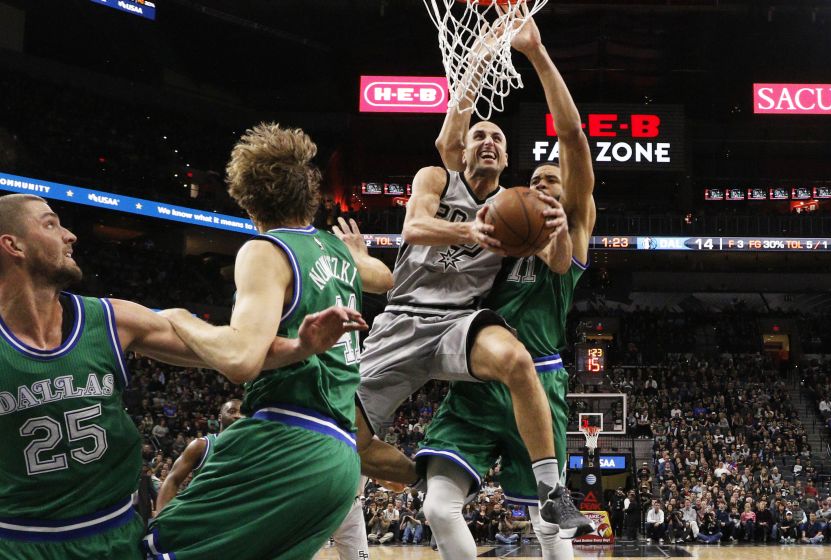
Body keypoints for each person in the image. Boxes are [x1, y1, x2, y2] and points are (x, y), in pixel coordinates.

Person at [355, 5, 583, 537]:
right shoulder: (437, 177)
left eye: (498, 139)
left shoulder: (516, 207)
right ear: (464, 150)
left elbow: (556, 261)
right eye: (479, 135)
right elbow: (413, 227)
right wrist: (483, 52)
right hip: (403, 320)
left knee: (519, 362)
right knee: (347, 439)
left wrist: (557, 228)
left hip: (461, 321)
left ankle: (553, 491)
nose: (487, 140)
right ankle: (424, 476)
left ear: (506, 162)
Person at [144, 124, 418, 560]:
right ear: (309, 194)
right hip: (341, 459)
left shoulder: (264, 251)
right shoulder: (335, 250)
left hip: (288, 439)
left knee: (157, 549)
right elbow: (385, 279)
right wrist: (360, 255)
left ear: (248, 200)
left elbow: (240, 358)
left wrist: (182, 319)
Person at [414, 11, 597, 560]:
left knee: (550, 527)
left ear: (567, 198)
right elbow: (454, 150)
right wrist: (476, 63)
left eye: (552, 182)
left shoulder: (575, 231)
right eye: (533, 180)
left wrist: (536, 54)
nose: (541, 185)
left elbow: (572, 136)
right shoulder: (495, 225)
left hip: (539, 382)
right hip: (479, 370)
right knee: (436, 507)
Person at [0, 193, 250, 559]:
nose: (70, 235)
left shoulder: (111, 319)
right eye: (50, 223)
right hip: (19, 543)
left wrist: (301, 343)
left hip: (114, 536)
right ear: (13, 245)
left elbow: (233, 351)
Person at [155, 399, 243, 511]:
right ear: (220, 417)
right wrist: (161, 518)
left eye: (242, 413)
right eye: (232, 411)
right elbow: (172, 480)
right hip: (203, 514)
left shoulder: (251, 448)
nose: (238, 416)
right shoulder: (201, 445)